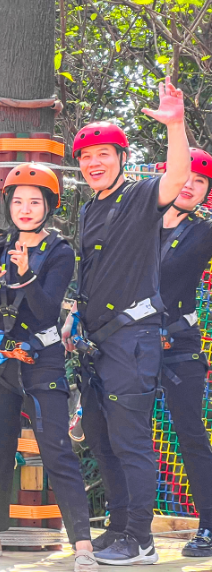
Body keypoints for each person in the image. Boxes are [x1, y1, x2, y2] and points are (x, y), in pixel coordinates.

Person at [62, 77, 190, 565]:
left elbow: (177, 179)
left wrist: (175, 125)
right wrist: (75, 315)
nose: (94, 163)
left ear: (121, 158)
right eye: (87, 157)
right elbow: (92, 273)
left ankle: (141, 540)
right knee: (102, 439)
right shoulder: (89, 208)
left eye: (104, 155)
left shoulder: (138, 199)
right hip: (97, 343)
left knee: (131, 441)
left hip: (132, 342)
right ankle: (118, 528)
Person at [0, 164, 96, 572]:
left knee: (57, 452)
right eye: (18, 202)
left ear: (48, 206)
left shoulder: (59, 251)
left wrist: (26, 274)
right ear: (8, 206)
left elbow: (47, 309)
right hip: (1, 363)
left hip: (41, 361)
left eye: (35, 202)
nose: (26, 209)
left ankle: (83, 545)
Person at [152, 148, 212, 557]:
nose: (189, 184)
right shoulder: (139, 224)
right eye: (184, 175)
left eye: (200, 181)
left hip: (180, 345)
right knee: (122, 434)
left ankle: (208, 525)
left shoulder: (203, 231)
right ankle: (128, 525)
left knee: (191, 435)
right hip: (132, 343)